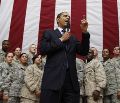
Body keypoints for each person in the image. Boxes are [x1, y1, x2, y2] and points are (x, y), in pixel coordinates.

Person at [40, 11, 90, 103]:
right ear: (58, 19)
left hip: (70, 81)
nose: (68, 18)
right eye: (65, 16)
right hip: (53, 79)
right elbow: (43, 49)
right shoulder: (49, 33)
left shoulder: (72, 38)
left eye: (69, 17)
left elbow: (83, 51)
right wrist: (61, 39)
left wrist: (84, 32)